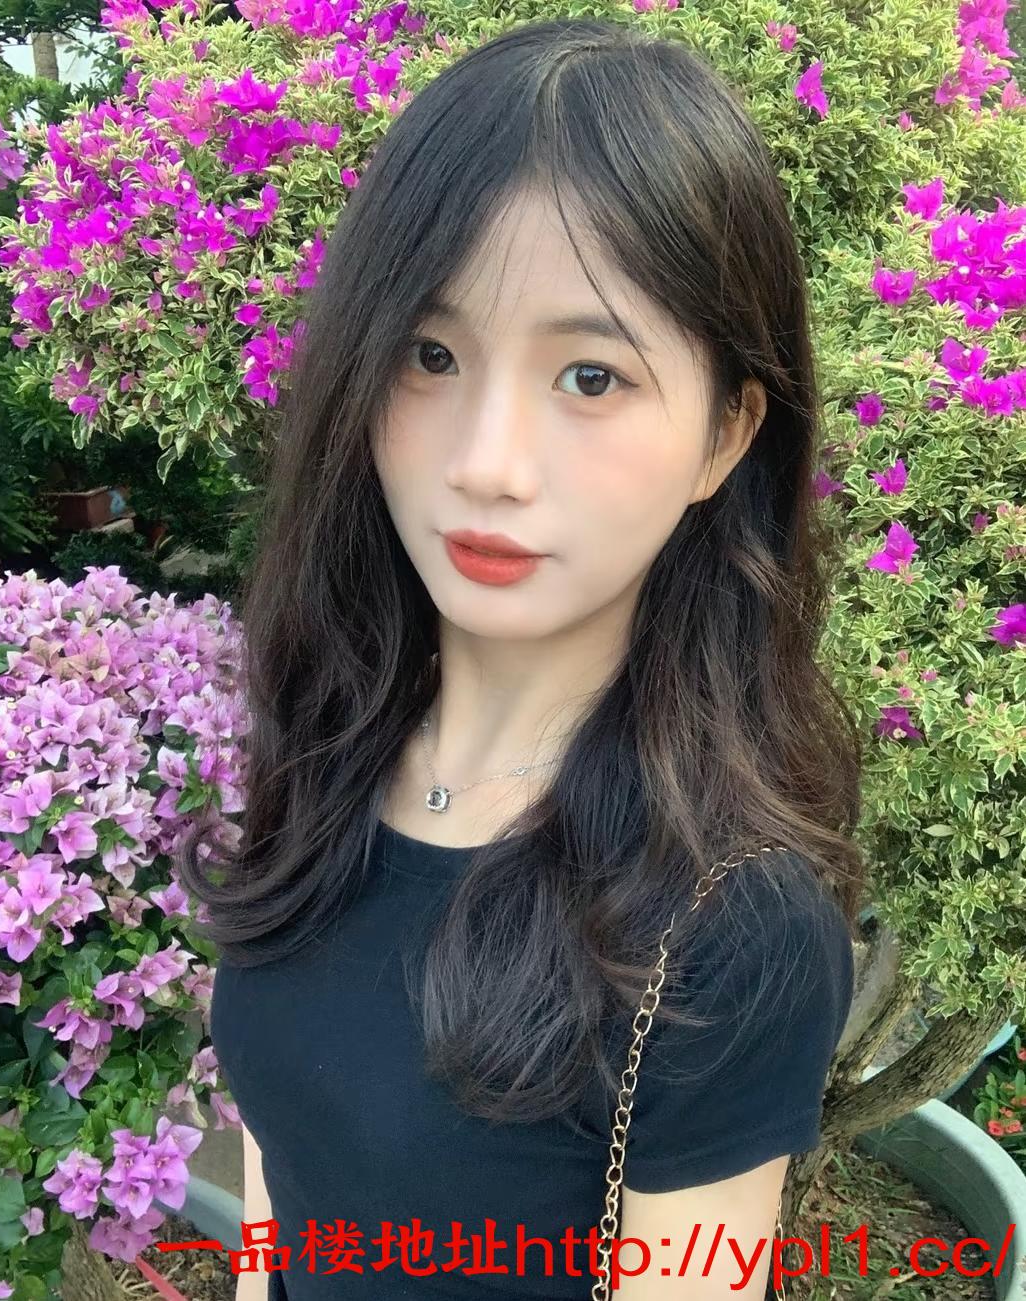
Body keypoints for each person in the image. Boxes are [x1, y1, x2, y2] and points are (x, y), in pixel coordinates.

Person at [180, 15, 865, 1300]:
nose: (487, 460)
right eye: (432, 355)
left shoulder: (728, 923)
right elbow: (285, 1162)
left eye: (591, 376)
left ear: (726, 436)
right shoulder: (336, 746)